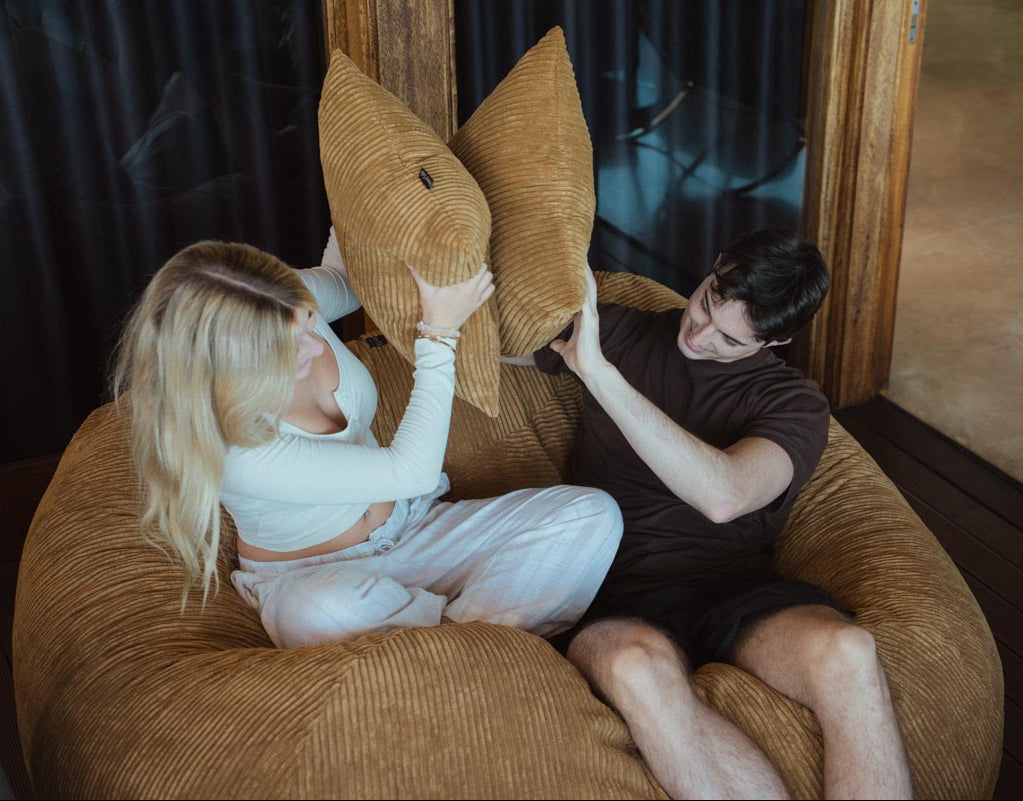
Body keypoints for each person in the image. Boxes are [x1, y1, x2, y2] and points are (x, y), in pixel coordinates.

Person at [509, 230, 912, 799]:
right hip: (613, 587)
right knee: (632, 667)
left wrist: (600, 374)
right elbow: (498, 339)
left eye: (729, 339)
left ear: (778, 339)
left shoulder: (792, 404)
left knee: (849, 652)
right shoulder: (620, 329)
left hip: (735, 588)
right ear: (714, 268)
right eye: (704, 304)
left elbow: (725, 496)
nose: (699, 336)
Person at [112, 228, 623, 649]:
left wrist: (368, 181)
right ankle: (482, 641)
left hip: (415, 525)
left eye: (309, 320)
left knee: (592, 516)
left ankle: (449, 643)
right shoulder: (235, 448)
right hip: (314, 578)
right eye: (291, 348)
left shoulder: (277, 301)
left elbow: (344, 276)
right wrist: (439, 333)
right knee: (315, 613)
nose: (316, 340)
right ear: (232, 366)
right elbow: (411, 469)